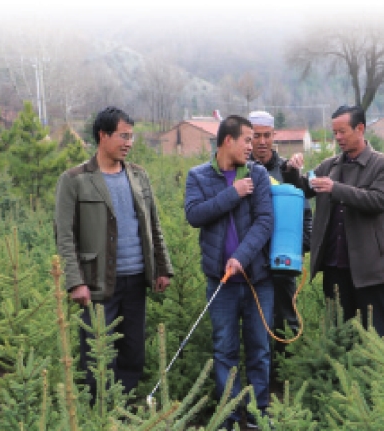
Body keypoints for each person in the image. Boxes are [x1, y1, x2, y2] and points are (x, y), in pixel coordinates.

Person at [54, 106, 173, 400]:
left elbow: (153, 224)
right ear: (103, 135)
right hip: (97, 283)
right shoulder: (75, 179)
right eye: (123, 135)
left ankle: (126, 408)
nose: (129, 142)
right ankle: (100, 413)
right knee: (97, 354)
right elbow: (64, 235)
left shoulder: (139, 176)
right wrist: (75, 281)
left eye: (131, 136)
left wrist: (162, 267)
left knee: (133, 352)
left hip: (136, 280)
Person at [184, 115, 274, 429]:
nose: (254, 146)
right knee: (225, 349)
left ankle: (259, 415)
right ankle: (230, 417)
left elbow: (264, 222)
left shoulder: (258, 175)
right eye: (247, 140)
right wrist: (233, 193)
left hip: (257, 280)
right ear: (227, 140)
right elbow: (195, 214)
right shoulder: (198, 177)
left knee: (259, 348)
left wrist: (240, 257)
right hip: (220, 284)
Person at [283, 105, 384, 338]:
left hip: (369, 268)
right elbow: (304, 188)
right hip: (335, 266)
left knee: (375, 335)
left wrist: (336, 189)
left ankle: (376, 375)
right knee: (338, 335)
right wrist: (291, 170)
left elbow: (378, 201)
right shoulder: (329, 165)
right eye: (335, 132)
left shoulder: (383, 165)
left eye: (343, 132)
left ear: (360, 128)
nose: (338, 138)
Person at [247, 110, 312, 354]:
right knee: (255, 320)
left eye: (266, 135)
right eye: (256, 135)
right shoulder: (241, 170)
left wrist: (301, 247)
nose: (261, 141)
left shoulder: (287, 171)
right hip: (251, 261)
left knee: (286, 317)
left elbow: (305, 213)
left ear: (274, 136)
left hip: (283, 261)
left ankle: (285, 374)